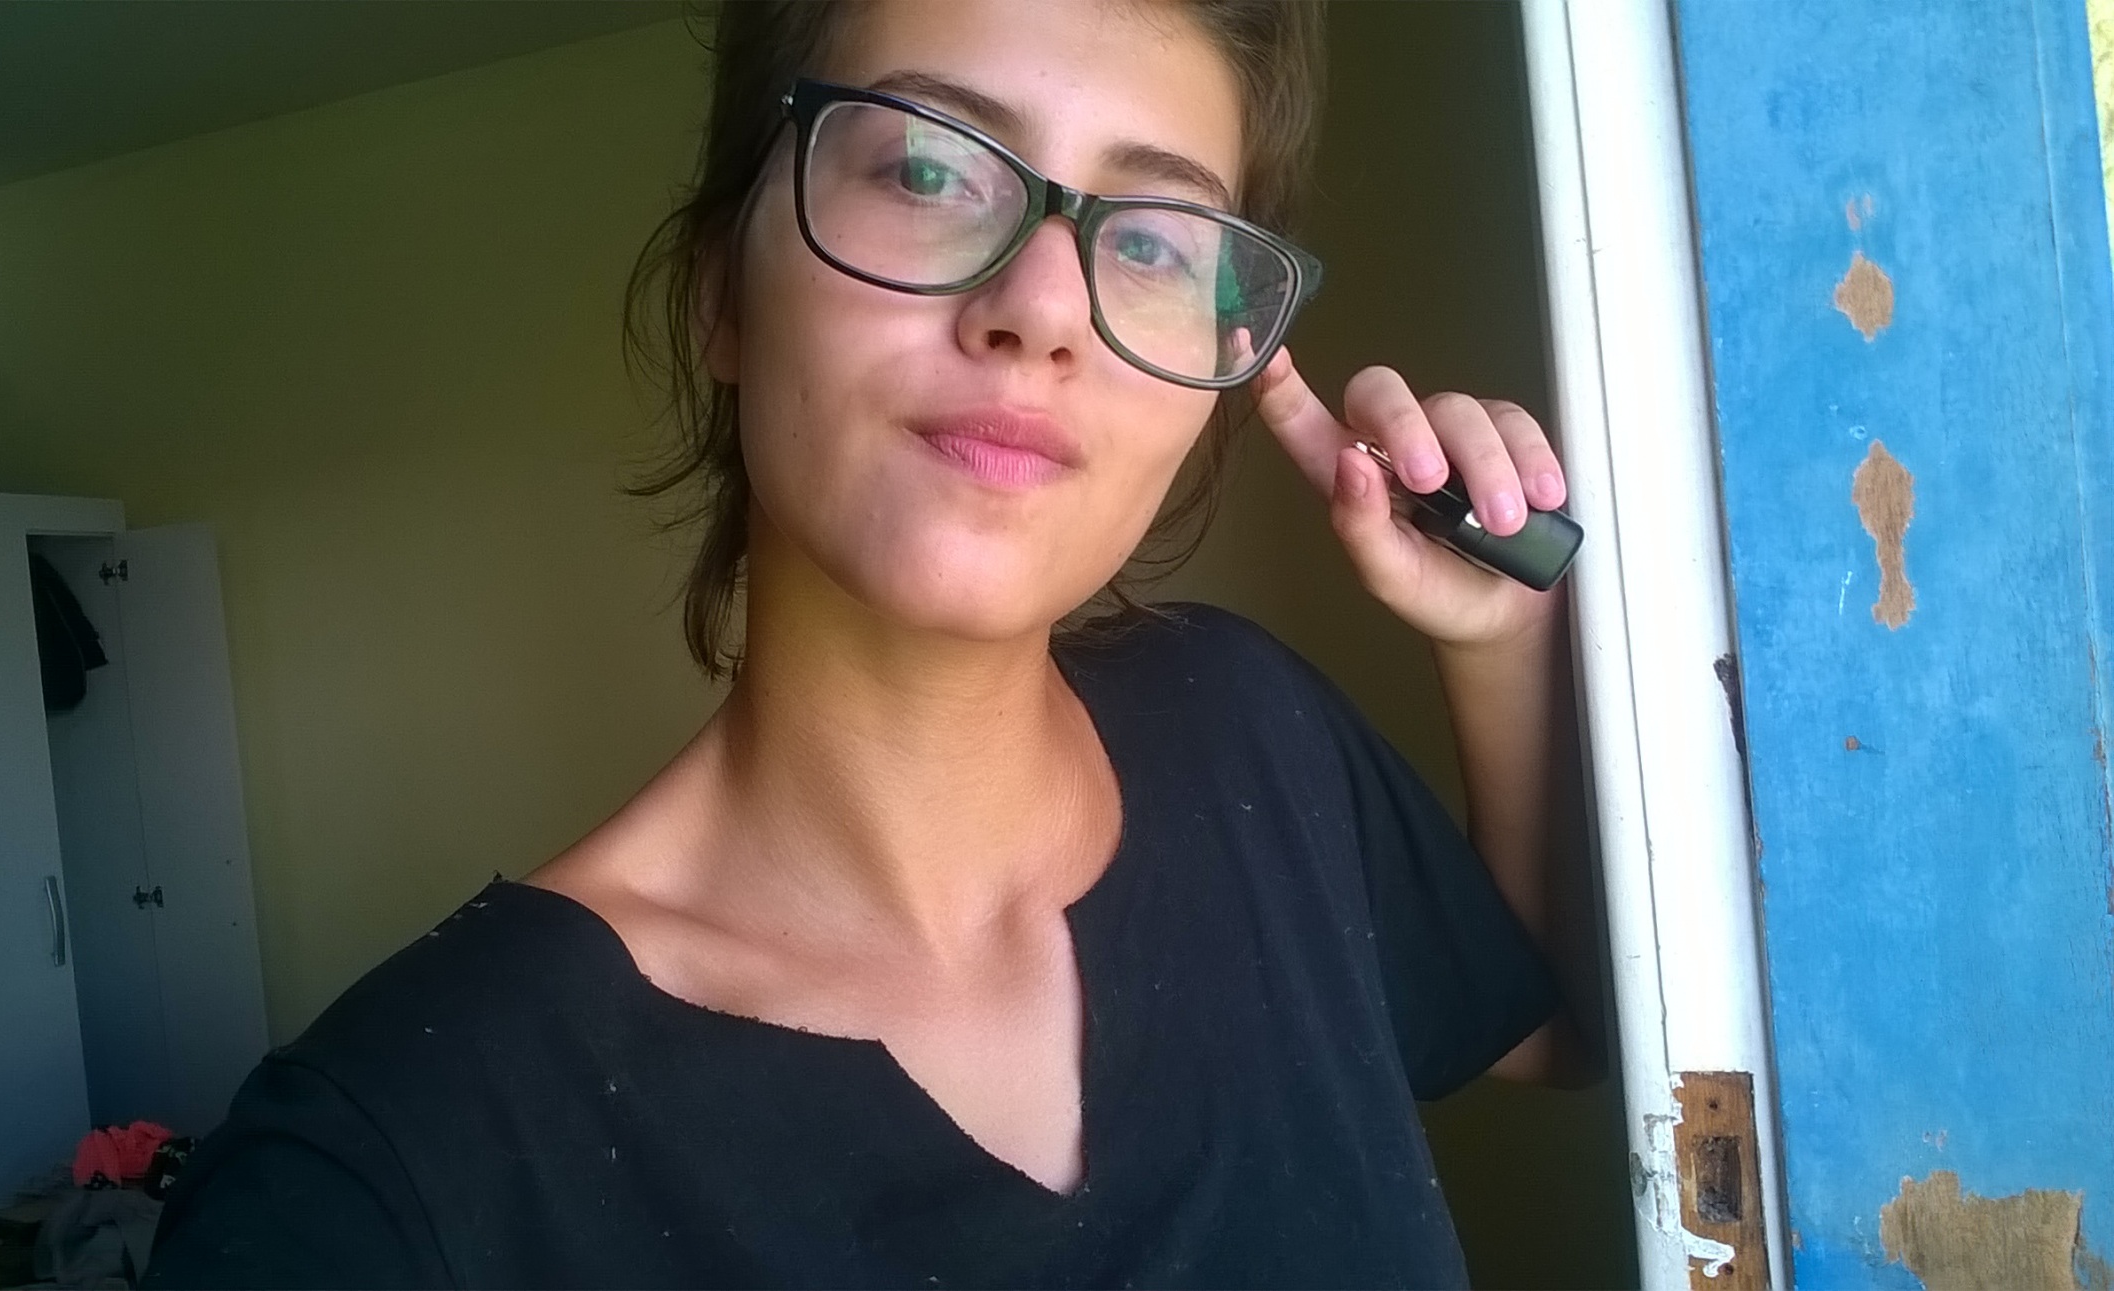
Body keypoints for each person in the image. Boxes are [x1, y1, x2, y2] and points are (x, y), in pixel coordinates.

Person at [144, 0, 1598, 1286]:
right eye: (929, 169)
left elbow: (1555, 1028)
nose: (1043, 309)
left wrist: (1503, 642)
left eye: (1154, 241)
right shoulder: (378, 1180)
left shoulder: (1253, 732)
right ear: (721, 295)